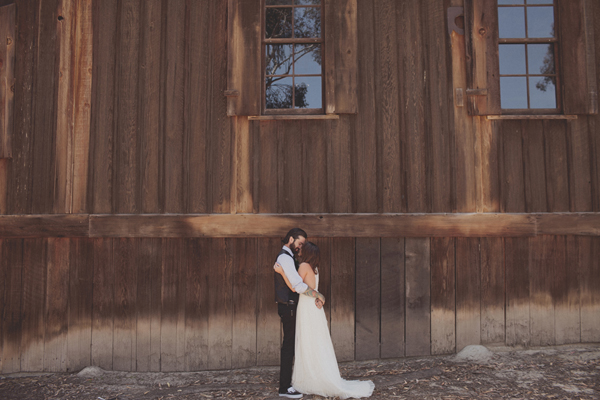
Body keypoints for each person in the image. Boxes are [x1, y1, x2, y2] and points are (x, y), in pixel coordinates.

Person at [275, 242, 375, 399]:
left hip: (307, 307)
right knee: (316, 341)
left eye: (302, 248)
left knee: (308, 341)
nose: (299, 249)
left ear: (306, 252)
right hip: (314, 307)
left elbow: (295, 288)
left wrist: (282, 273)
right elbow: (314, 289)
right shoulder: (314, 268)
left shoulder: (303, 267)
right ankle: (318, 374)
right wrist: (320, 297)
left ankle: (311, 378)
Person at [275, 228, 325, 399]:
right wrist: (317, 294)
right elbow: (297, 286)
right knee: (289, 345)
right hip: (288, 306)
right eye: (299, 243)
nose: (300, 247)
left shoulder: (292, 259)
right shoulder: (284, 258)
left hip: (294, 305)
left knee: (294, 344)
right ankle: (285, 387)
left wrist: (315, 294)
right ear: (290, 239)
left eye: (303, 245)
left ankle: (293, 382)